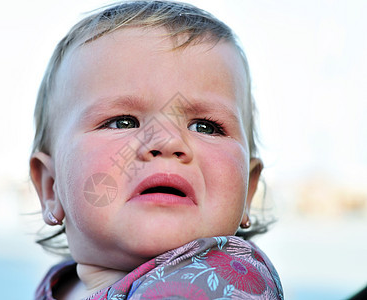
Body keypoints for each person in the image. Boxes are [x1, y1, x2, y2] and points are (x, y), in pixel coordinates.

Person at [29, 1, 283, 299]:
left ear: (248, 190)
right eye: (123, 122)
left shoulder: (223, 278)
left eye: (205, 126)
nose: (167, 142)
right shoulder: (59, 285)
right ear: (51, 186)